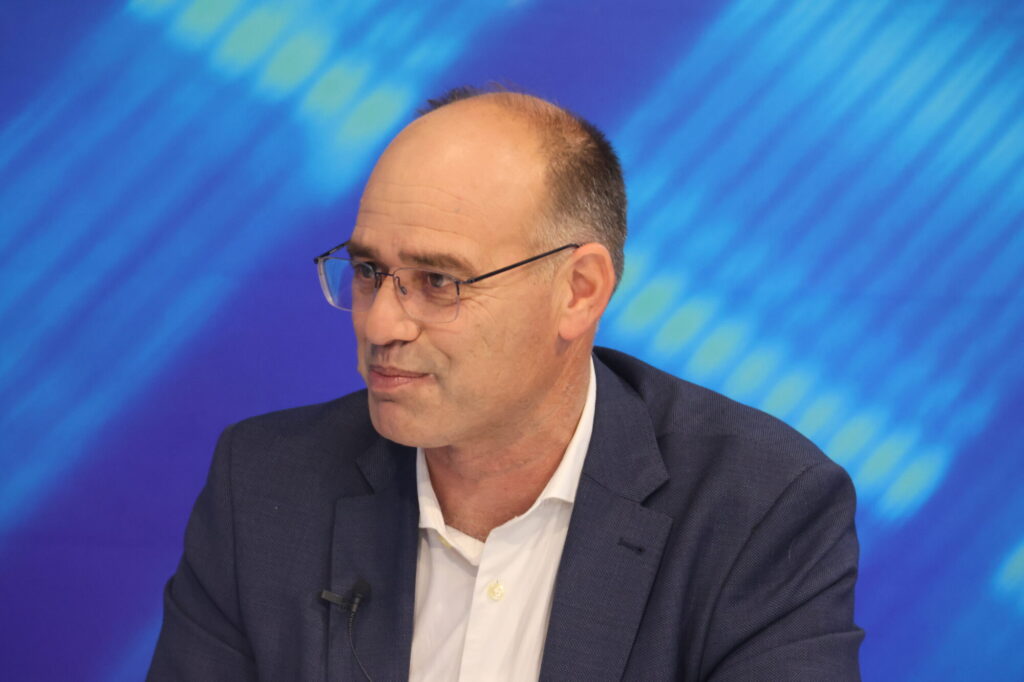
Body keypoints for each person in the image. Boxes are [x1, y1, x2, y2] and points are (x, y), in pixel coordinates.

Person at [148, 87, 863, 681]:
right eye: (368, 271)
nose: (382, 323)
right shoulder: (266, 487)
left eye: (438, 281)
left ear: (579, 291)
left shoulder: (757, 509)